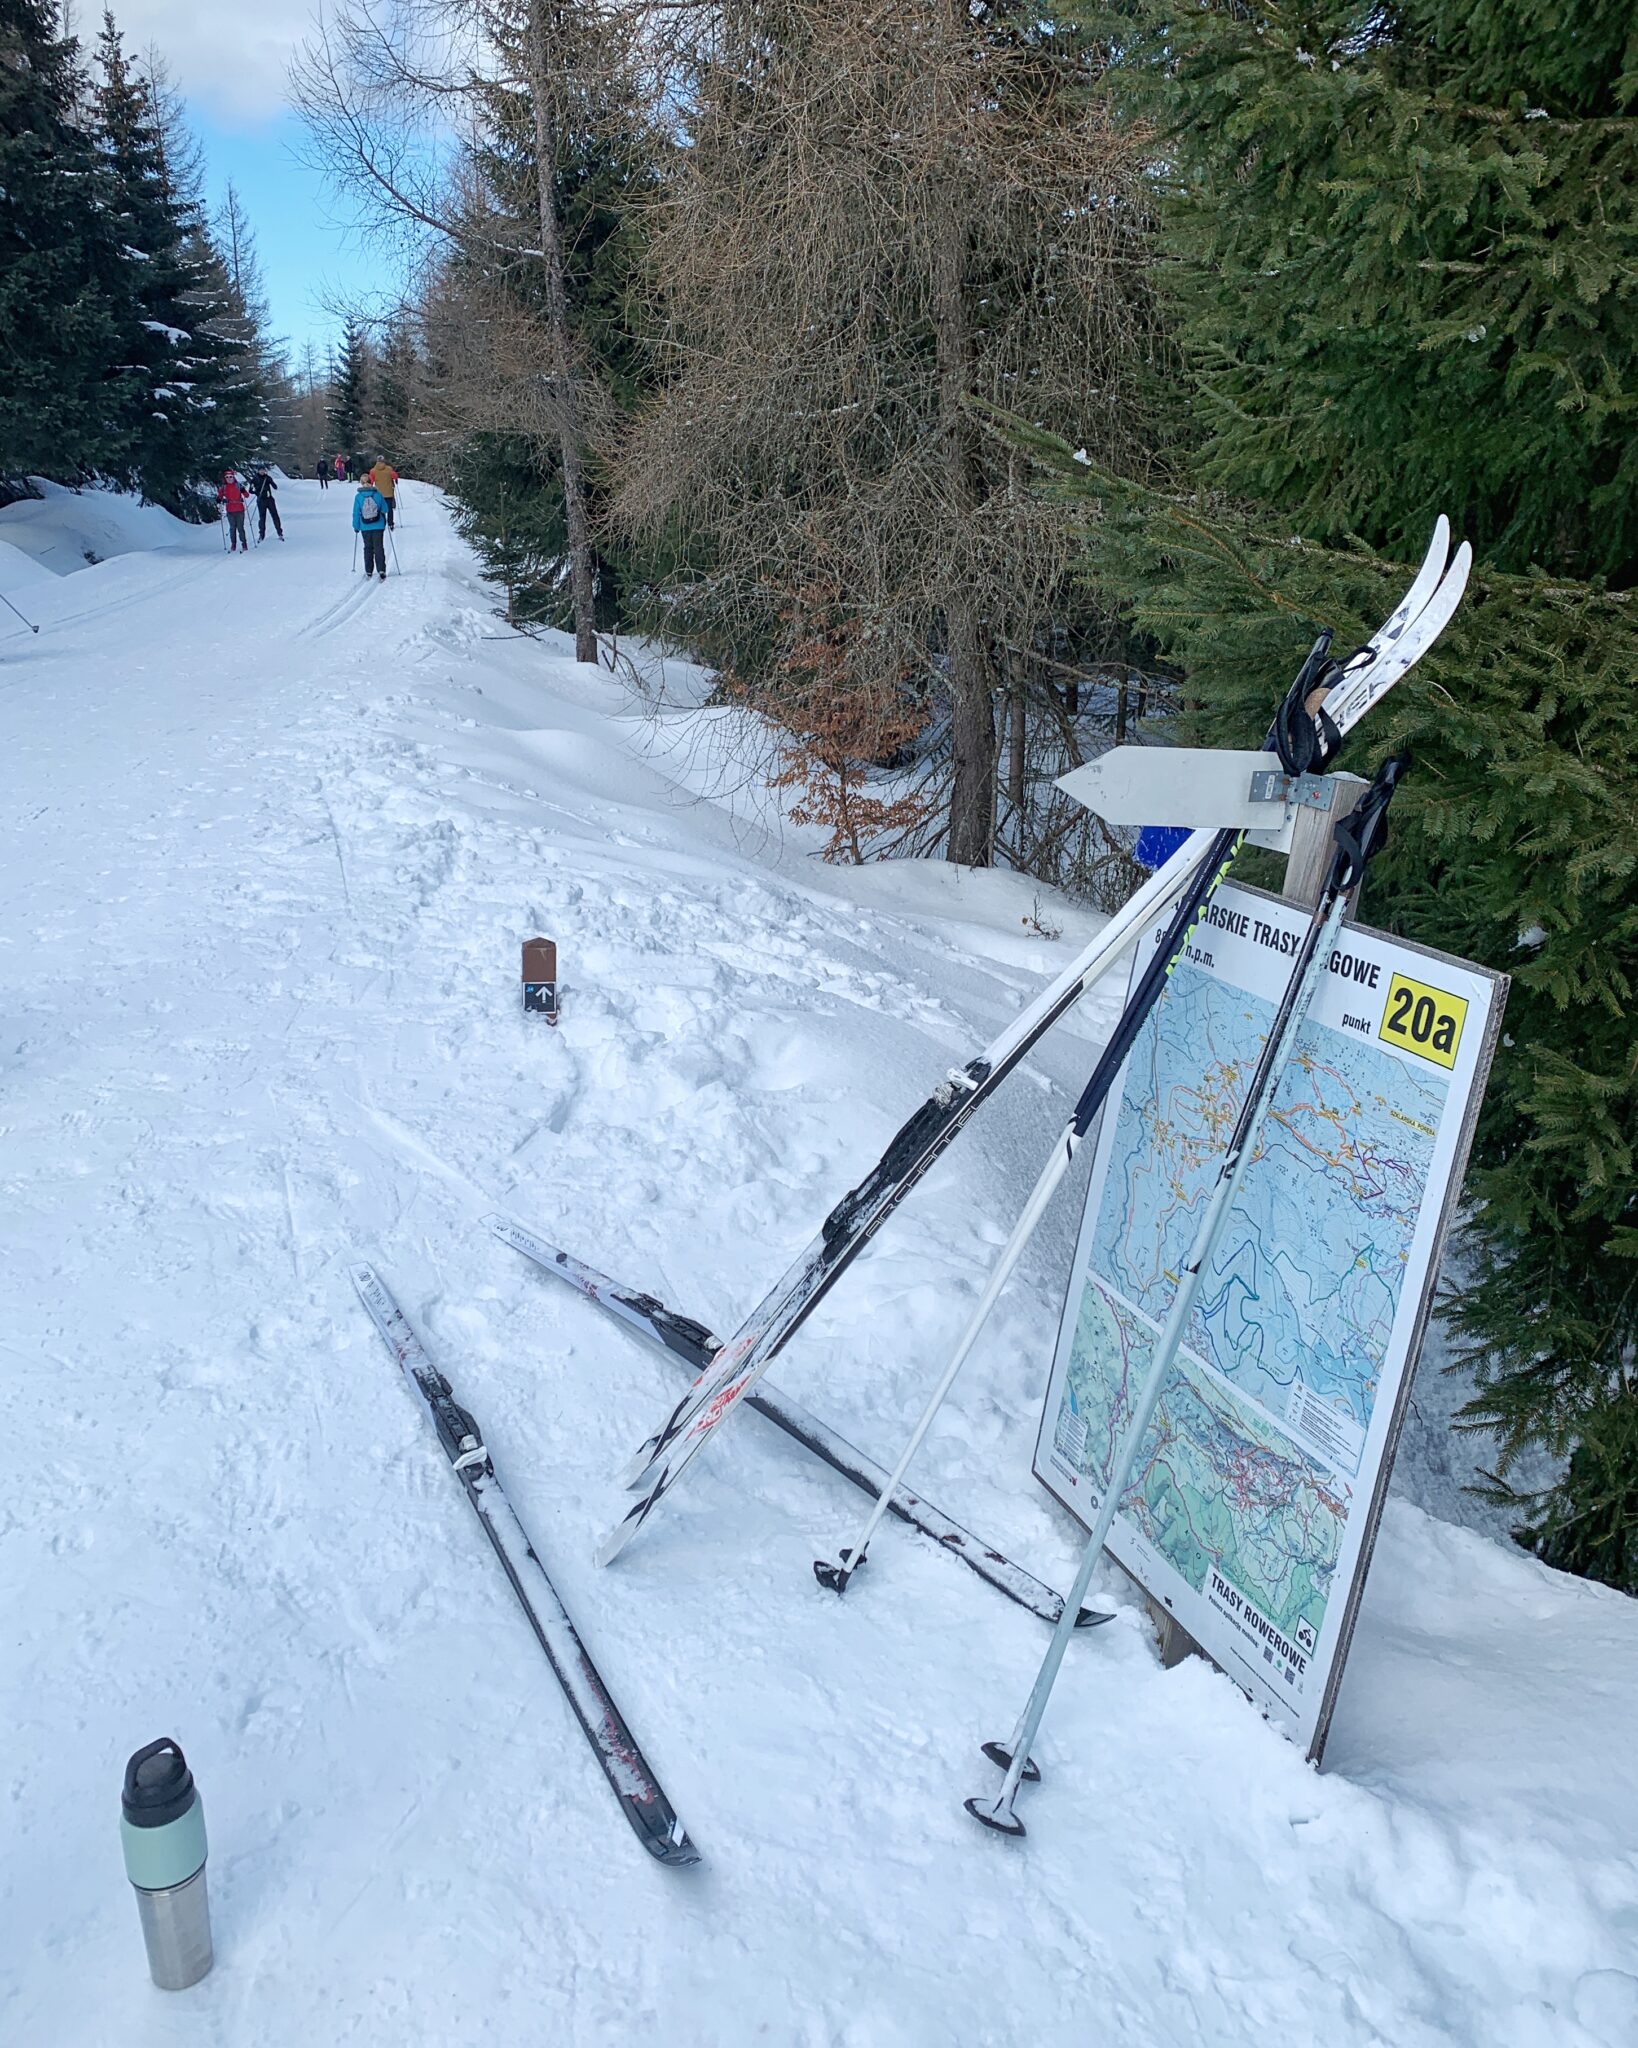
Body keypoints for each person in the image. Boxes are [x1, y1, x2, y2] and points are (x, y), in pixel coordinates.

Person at [352, 474, 389, 581]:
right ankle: (381, 569)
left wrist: (356, 526)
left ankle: (369, 570)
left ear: (361, 483)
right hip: (378, 525)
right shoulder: (378, 494)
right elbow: (385, 509)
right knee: (379, 547)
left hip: (365, 526)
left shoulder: (358, 497)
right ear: (371, 482)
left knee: (368, 548)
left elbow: (356, 513)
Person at [248, 467, 284, 542]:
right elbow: (250, 490)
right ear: (258, 471)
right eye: (260, 470)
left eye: (263, 470)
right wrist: (257, 492)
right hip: (261, 500)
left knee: (275, 516)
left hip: (269, 499)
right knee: (262, 518)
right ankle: (261, 535)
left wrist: (271, 482)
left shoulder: (267, 478)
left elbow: (275, 487)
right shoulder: (255, 479)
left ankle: (279, 532)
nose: (262, 471)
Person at [218, 469, 248, 552]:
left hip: (239, 509)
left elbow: (247, 495)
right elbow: (220, 496)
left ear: (233, 477)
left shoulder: (238, 485)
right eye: (227, 477)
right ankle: (233, 544)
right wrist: (219, 499)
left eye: (230, 477)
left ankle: (244, 544)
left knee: (240, 527)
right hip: (230, 510)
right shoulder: (224, 487)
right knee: (232, 528)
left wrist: (243, 490)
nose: (229, 478)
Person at [366, 457, 399, 528]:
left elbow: (371, 481)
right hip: (389, 492)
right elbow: (395, 476)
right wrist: (395, 480)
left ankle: (383, 522)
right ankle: (390, 523)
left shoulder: (373, 471)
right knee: (389, 508)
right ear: (384, 461)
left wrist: (370, 487)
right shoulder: (389, 469)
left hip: (379, 493)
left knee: (380, 508)